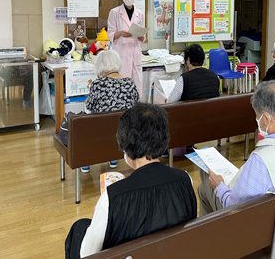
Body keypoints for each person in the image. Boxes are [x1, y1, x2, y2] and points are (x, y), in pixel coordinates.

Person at [65, 103, 197, 259]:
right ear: (164, 138)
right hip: (171, 252)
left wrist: (98, 216)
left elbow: (87, 254)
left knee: (79, 227)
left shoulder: (111, 197)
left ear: (125, 144)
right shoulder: (185, 179)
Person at [198, 80, 275, 216]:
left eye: (257, 116)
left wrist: (219, 186)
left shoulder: (262, 160)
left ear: (266, 119)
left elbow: (233, 207)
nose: (257, 122)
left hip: (256, 225)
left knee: (205, 185)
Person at [82, 50, 139, 172]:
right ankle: (113, 158)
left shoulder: (98, 84)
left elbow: (90, 107)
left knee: (85, 115)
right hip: (126, 130)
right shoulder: (130, 82)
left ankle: (85, 161)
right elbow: (136, 105)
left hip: (101, 131)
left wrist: (87, 101)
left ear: (100, 66)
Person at [107, 0, 145, 96]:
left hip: (134, 53)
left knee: (135, 89)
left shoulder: (140, 14)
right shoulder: (114, 12)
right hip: (121, 53)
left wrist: (141, 36)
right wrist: (120, 33)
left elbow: (142, 34)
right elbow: (110, 33)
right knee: (121, 90)